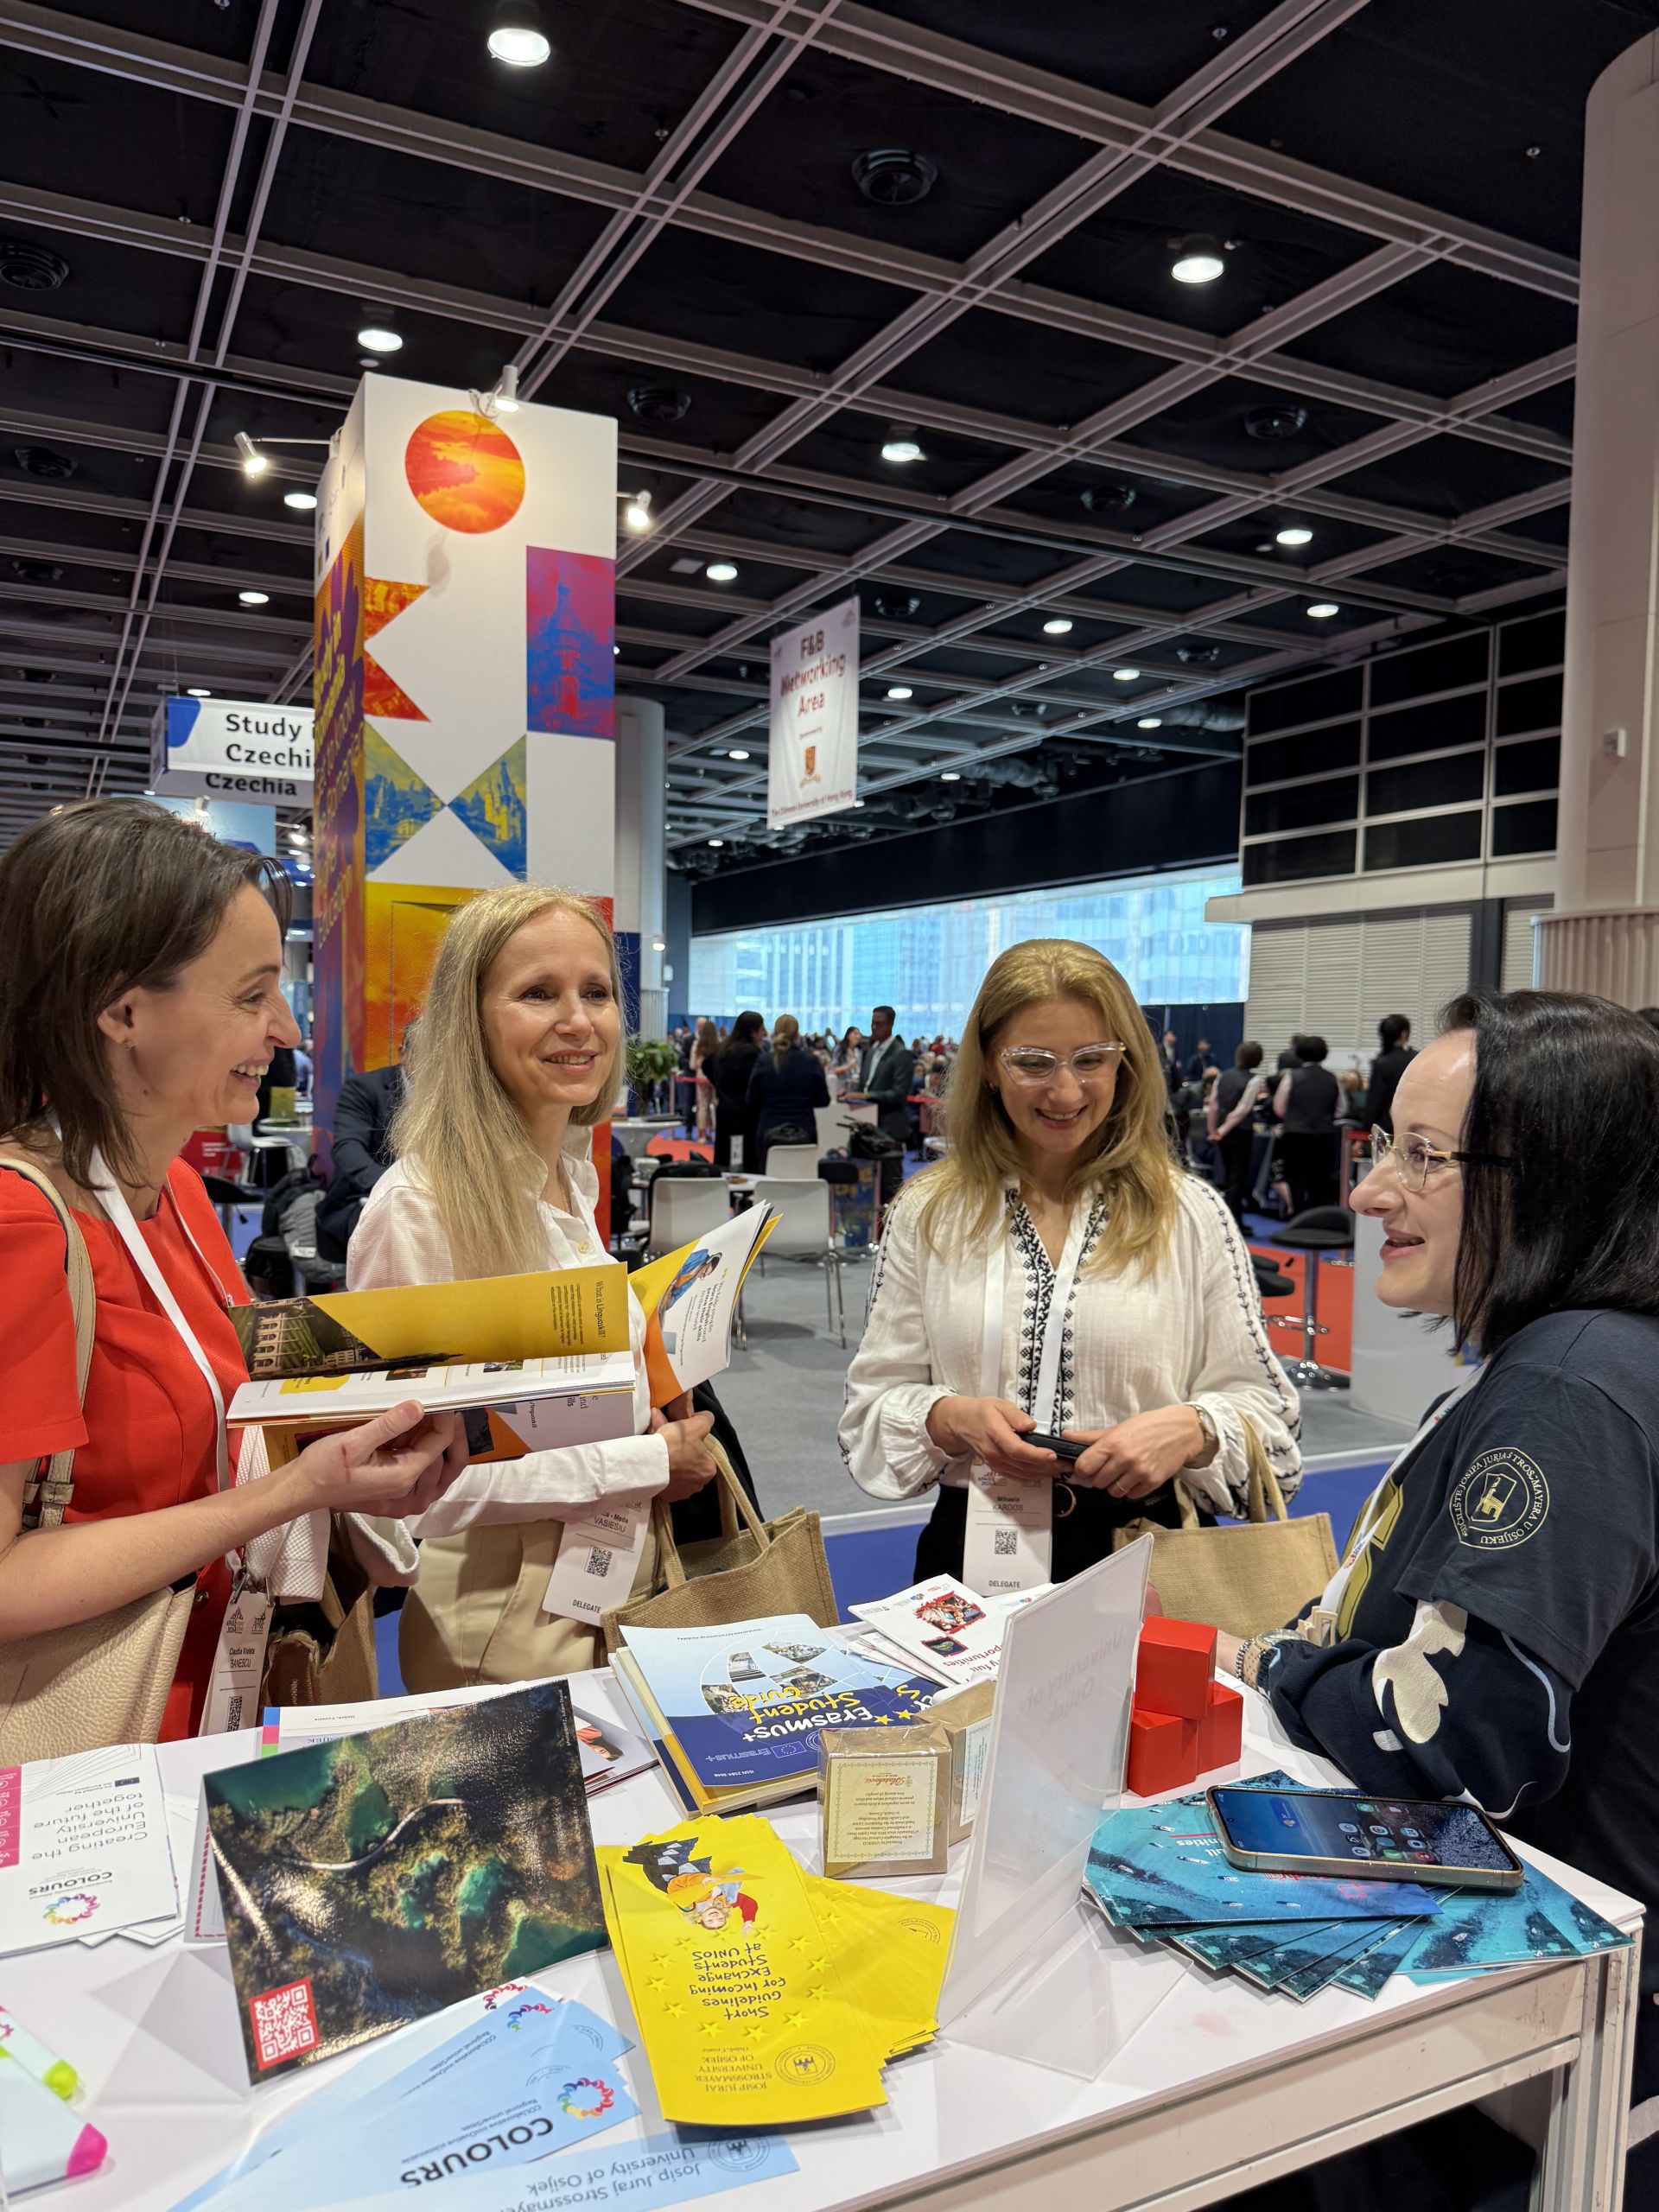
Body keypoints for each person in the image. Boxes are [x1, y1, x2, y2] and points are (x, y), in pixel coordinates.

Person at [1225, 990, 1659, 2205]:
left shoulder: (1569, 1391)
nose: (1372, 1192)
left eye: (1425, 1156)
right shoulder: (1584, 1359)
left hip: (1528, 2040)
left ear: (1559, 1177)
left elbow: (1456, 1737)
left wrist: (1281, 1667)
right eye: (1386, 1146)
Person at [0, 800, 462, 1746]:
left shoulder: (172, 1186)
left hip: (213, 1707)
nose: (285, 1028)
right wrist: (295, 1493)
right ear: (123, 1011)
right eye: (251, 996)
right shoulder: (22, 1221)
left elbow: (233, 1405)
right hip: (92, 1746)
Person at [348, 884, 717, 1689]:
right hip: (502, 1617)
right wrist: (641, 1460)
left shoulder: (571, 1177)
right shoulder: (421, 1208)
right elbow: (410, 1487)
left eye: (597, 992)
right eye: (538, 994)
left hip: (608, 1584)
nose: (578, 1020)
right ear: (471, 1020)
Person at [840, 939, 1300, 1584]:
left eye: (1092, 1060)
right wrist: (951, 1419)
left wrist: (1192, 1430)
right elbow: (868, 1412)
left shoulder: (1190, 1214)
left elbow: (1273, 1428)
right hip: (971, 1554)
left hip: (1151, 1554)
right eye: (1033, 1062)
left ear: (1125, 1063)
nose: (1064, 1090)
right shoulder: (928, 1212)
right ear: (989, 1065)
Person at [316, 1032, 410, 1262]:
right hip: (365, 1196)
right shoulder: (365, 1088)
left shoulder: (456, 1094)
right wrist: (397, 1186)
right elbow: (347, 1148)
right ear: (404, 1054)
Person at [746, 1014, 830, 1170]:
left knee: (768, 1178)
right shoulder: (810, 1061)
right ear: (797, 1035)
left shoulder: (763, 1061)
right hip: (804, 1130)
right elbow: (823, 1100)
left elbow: (752, 1100)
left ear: (775, 1032)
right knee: (803, 1177)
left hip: (768, 1130)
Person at [1274, 1034, 1340, 1213]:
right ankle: (1317, 1217)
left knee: (1295, 1179)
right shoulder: (1332, 1078)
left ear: (1300, 1054)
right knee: (1320, 1180)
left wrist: (1293, 1117)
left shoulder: (1292, 1077)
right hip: (1324, 1135)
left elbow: (1279, 1107)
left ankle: (1297, 1214)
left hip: (1296, 1134)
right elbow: (1341, 1109)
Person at [1208, 1041, 1267, 1225]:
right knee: (1238, 1176)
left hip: (1222, 1132)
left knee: (1228, 1175)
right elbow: (1242, 1109)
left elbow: (1214, 1105)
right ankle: (1234, 1221)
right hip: (1240, 1131)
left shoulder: (1222, 1076)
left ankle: (1227, 1218)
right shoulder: (1254, 1080)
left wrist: (1213, 1130)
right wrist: (1222, 1130)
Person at [846, 1005, 911, 1150]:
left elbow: (899, 1093)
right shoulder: (871, 1051)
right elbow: (863, 1083)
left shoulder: (901, 1054)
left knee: (890, 1165)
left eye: (879, 1024)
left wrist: (867, 1095)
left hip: (890, 1126)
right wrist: (850, 1093)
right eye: (872, 1023)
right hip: (866, 1121)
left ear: (890, 1025)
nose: (874, 1027)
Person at [710, 1009, 765, 1170]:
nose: (765, 1033)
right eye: (762, 1029)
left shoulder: (723, 1049)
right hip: (745, 1116)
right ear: (753, 1031)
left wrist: (720, 1087)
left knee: (724, 1162)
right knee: (744, 1163)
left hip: (724, 1112)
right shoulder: (751, 1054)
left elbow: (707, 1064)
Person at [1366, 1013, 1414, 1135]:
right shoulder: (1416, 1059)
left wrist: (1365, 1129)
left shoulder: (1380, 1063)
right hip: (1411, 1125)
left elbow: (1374, 1102)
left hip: (1386, 1127)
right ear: (1404, 1034)